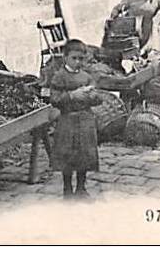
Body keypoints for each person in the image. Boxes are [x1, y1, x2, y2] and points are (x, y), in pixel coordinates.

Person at [48, 39, 103, 199]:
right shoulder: (59, 77)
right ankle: (67, 189)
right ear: (65, 57)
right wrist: (71, 96)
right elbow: (54, 99)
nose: (78, 62)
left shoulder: (86, 77)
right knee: (67, 155)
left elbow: (98, 98)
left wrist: (93, 96)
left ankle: (81, 188)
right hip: (67, 121)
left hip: (85, 120)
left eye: (81, 59)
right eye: (74, 58)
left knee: (84, 155)